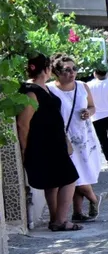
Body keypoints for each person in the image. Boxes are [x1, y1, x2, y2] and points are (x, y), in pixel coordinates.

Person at [15, 55, 81, 231]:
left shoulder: (42, 88)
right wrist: (24, 149)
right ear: (46, 69)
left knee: (53, 183)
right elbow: (23, 124)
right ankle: (61, 220)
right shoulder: (31, 91)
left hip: (55, 143)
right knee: (70, 178)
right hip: (43, 145)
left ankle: (55, 220)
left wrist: (65, 140)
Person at [50, 55, 104, 220]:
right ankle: (94, 198)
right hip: (64, 139)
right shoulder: (50, 90)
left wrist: (89, 112)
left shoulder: (82, 86)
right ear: (56, 72)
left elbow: (93, 107)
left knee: (81, 173)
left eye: (74, 69)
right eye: (67, 70)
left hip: (84, 138)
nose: (72, 73)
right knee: (74, 174)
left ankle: (78, 212)